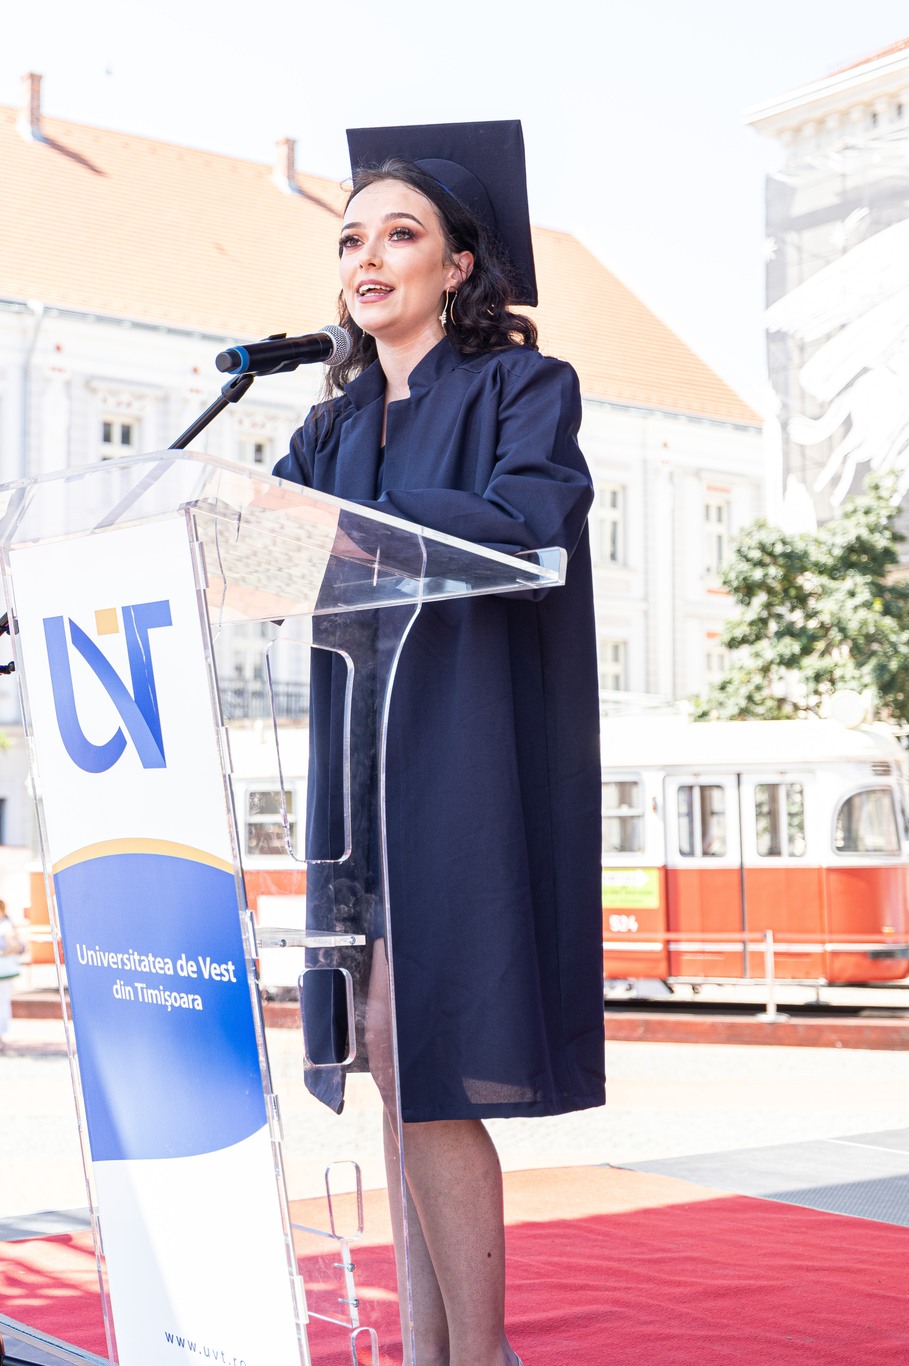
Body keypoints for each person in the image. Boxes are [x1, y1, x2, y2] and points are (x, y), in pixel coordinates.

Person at [272, 125, 603, 1364]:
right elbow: (265, 540)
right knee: (388, 1058)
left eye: (398, 234)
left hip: (462, 754)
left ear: (458, 266)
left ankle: (478, 1351)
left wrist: (356, 521)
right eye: (349, 239)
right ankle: (431, 1351)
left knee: (427, 1058)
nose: (366, 258)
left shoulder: (523, 387)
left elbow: (529, 520)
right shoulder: (331, 425)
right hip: (355, 761)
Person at [0, 899, 23, 1049]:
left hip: (1, 970)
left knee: (2, 1003)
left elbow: (15, 946)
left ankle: (1, 1035)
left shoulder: (5, 926)